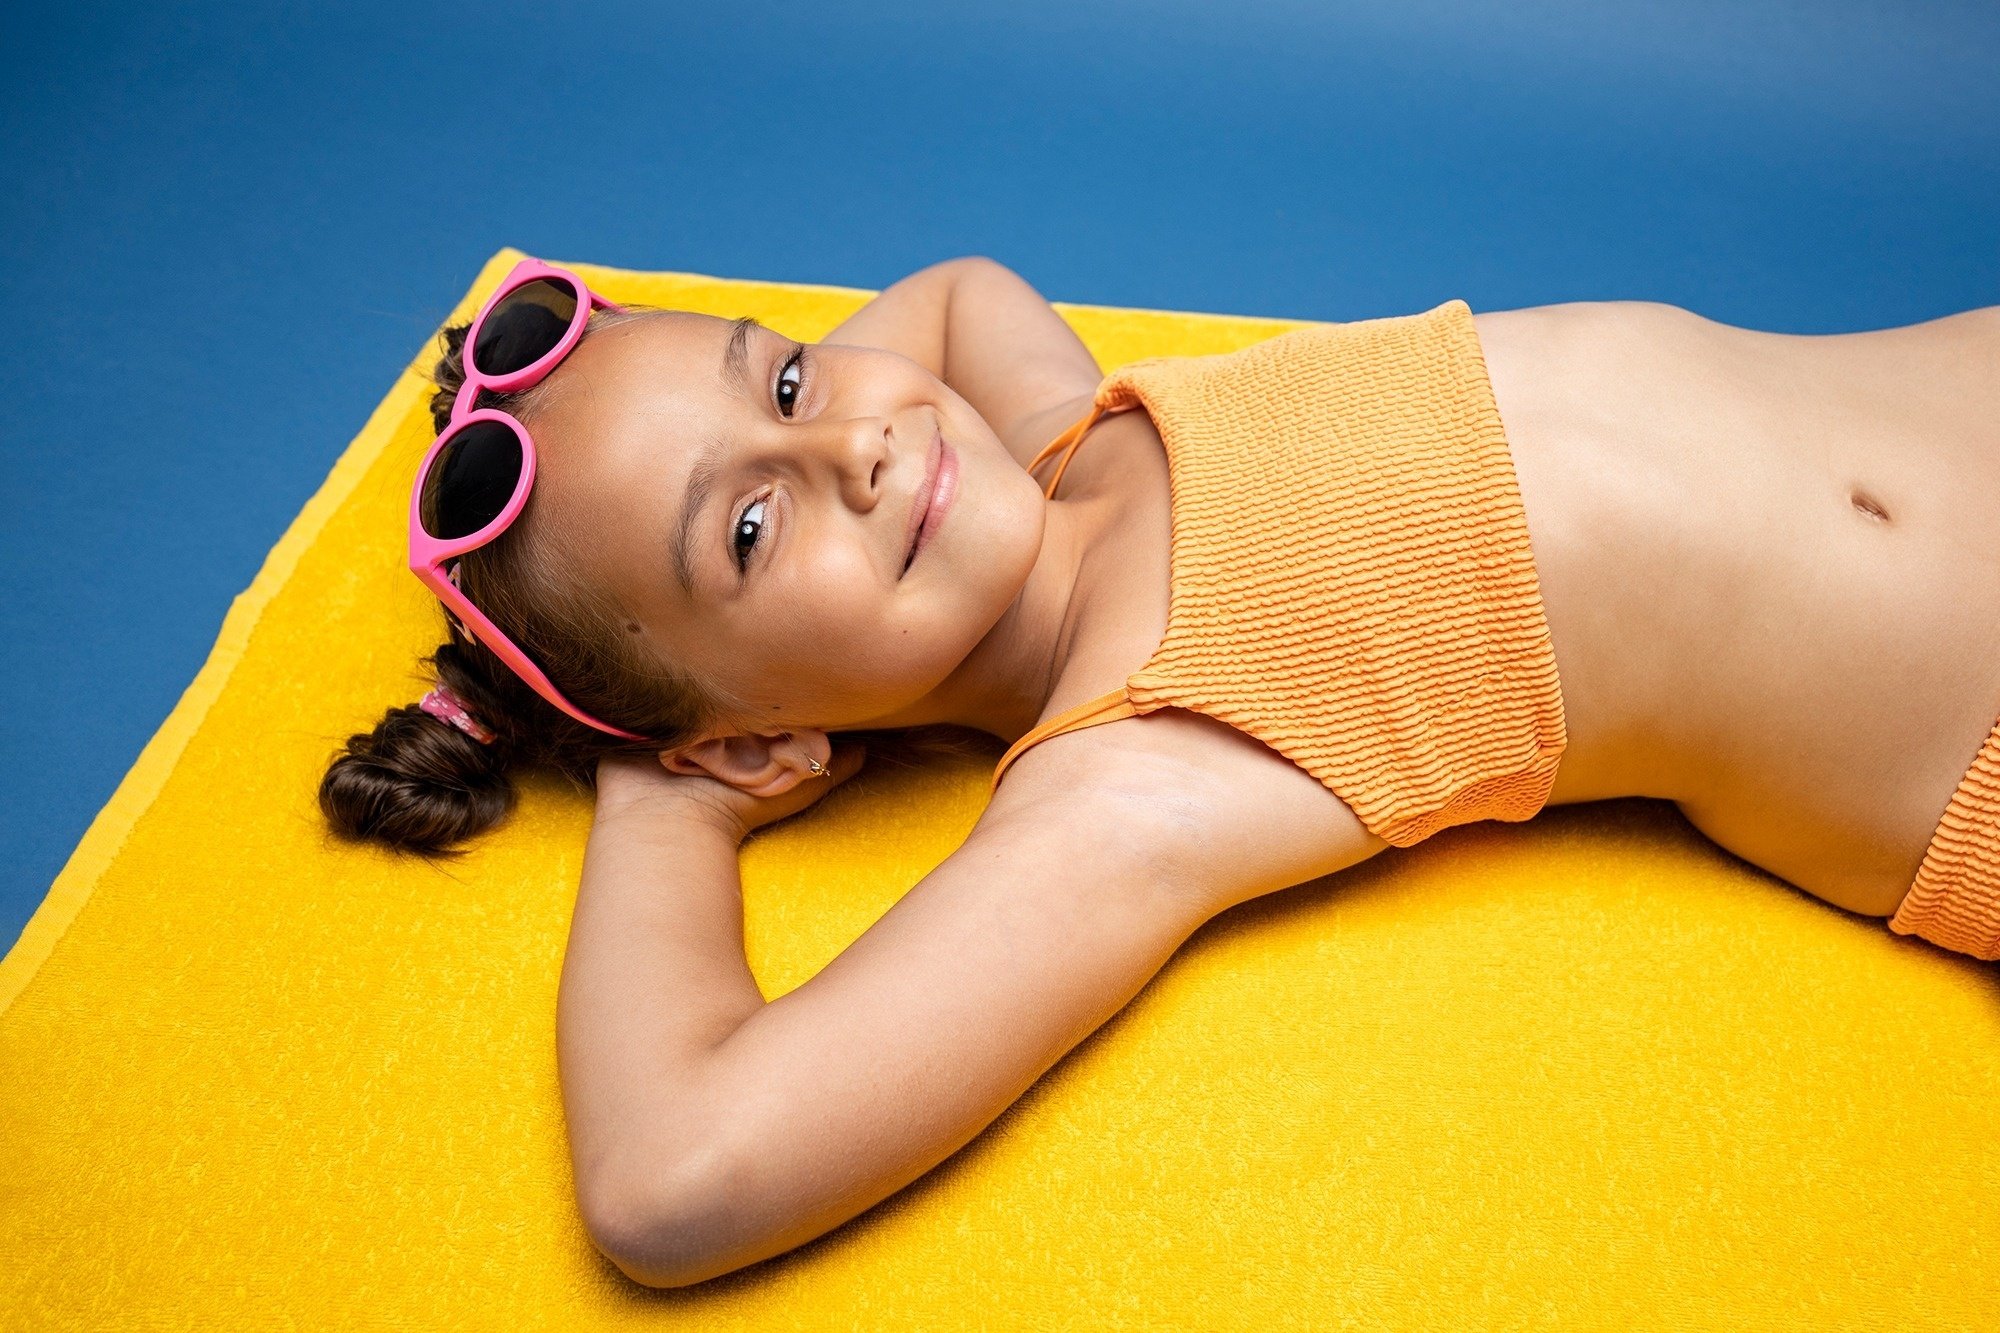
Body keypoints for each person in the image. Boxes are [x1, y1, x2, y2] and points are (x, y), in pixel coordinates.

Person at [320, 254, 2000, 1286]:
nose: (857, 442)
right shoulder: (1134, 767)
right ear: (755, 729)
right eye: (749, 529)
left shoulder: (1080, 439)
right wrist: (669, 787)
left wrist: (756, 455)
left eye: (785, 374)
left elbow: (954, 289)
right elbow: (666, 1175)